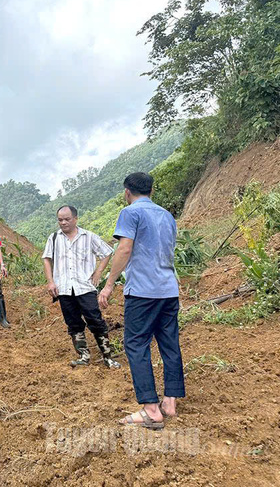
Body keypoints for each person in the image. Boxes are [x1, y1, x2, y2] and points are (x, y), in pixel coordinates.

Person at [98, 172, 183, 429]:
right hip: (168, 289)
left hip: (143, 292)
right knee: (169, 343)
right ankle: (170, 402)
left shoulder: (130, 213)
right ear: (151, 191)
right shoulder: (167, 216)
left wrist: (109, 284)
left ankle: (151, 409)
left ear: (127, 192)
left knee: (136, 344)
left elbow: (125, 248)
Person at [42, 205, 120, 369]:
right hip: (64, 288)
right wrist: (50, 281)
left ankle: (107, 356)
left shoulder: (88, 236)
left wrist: (98, 272)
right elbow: (47, 259)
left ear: (75, 219)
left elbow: (107, 252)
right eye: (60, 220)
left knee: (95, 320)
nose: (63, 223)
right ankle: (83, 356)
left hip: (85, 287)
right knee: (73, 322)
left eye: (67, 219)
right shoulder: (54, 238)